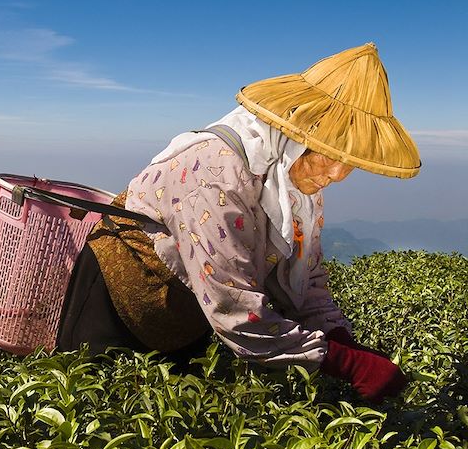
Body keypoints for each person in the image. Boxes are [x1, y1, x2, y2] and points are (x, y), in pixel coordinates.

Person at [56, 43, 418, 404]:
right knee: (100, 407)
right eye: (327, 155)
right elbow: (235, 309)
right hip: (119, 303)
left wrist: (339, 335)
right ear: (293, 137)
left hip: (192, 312)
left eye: (348, 161)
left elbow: (308, 278)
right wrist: (345, 363)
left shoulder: (295, 186)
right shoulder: (216, 175)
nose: (337, 174)